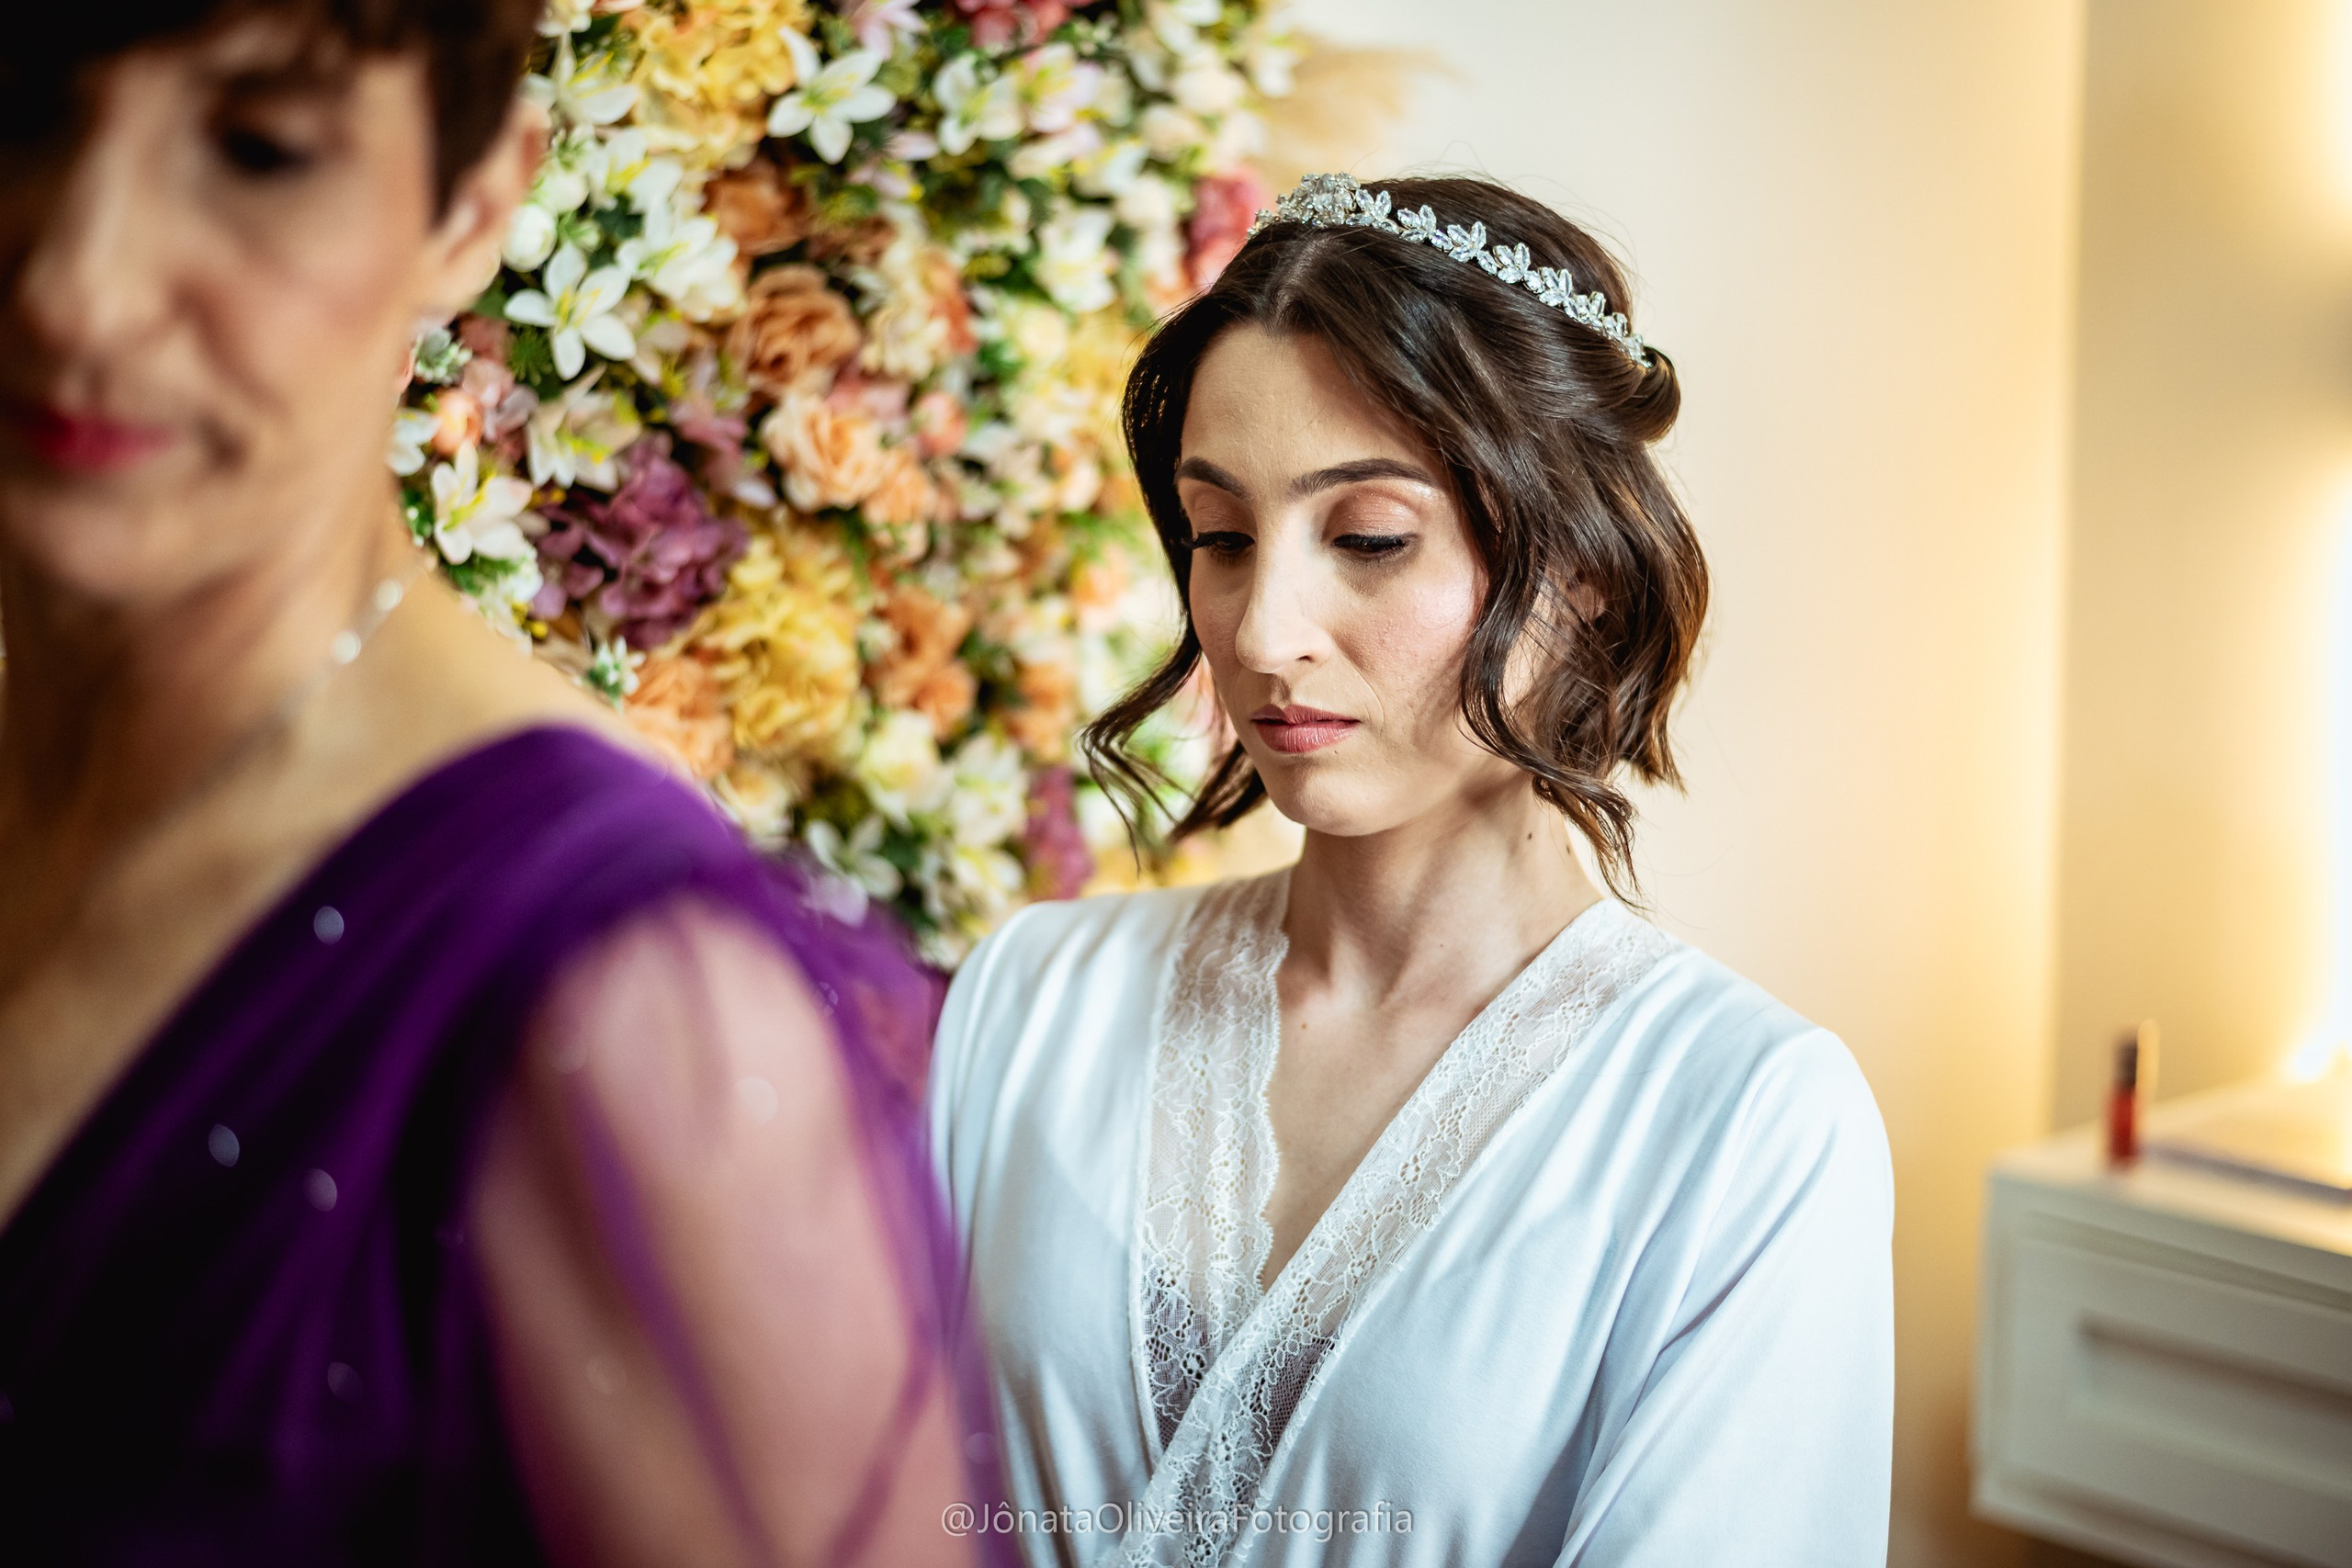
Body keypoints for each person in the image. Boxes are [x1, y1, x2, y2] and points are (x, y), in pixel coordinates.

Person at [0, 6, 990, 1562]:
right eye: (17, 107)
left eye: (260, 150)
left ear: (471, 207)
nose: (77, 285)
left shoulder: (617, 1002)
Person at [929, 174, 1894, 1566]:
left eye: (1370, 539)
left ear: (1584, 573)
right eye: (1221, 537)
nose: (1261, 632)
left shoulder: (1745, 1124)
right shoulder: (1033, 1005)